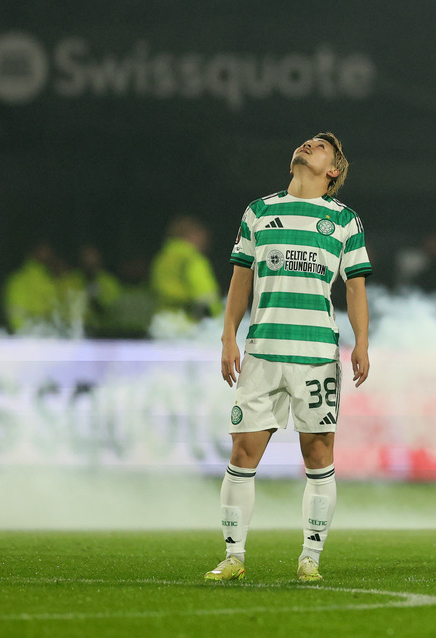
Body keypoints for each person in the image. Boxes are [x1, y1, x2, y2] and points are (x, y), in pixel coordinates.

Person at [206, 132, 372, 584]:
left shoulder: (344, 221)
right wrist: (228, 337)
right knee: (242, 452)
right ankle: (233, 555)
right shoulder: (259, 211)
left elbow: (355, 286)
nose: (307, 146)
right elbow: (241, 279)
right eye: (306, 142)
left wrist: (362, 341)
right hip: (262, 353)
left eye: (320, 146)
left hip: (316, 355)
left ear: (333, 170)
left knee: (318, 456)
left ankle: (310, 558)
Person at [151, 215, 221, 322]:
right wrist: (218, 316)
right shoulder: (192, 258)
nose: (206, 241)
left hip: (161, 321)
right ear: (192, 234)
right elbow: (205, 293)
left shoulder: (161, 258)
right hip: (188, 323)